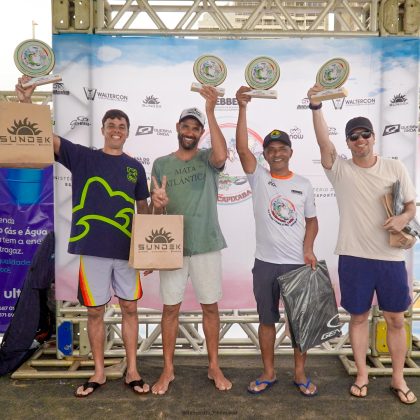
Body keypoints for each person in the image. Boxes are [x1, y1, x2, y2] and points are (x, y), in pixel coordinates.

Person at [16, 76, 151, 397]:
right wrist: (25, 103)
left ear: (128, 132)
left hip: (127, 252)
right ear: (103, 129)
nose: (116, 129)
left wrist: (149, 252)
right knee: (94, 311)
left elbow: (144, 212)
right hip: (91, 250)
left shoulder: (135, 168)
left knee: (131, 310)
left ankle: (132, 370)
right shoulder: (84, 157)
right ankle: (100, 372)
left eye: (122, 125)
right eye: (111, 124)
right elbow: (48, 140)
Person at [307, 84, 417, 404]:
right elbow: (322, 141)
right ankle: (361, 373)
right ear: (348, 143)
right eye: (353, 137)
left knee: (396, 319)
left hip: (391, 257)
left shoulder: (395, 167)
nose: (360, 141)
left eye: (364, 134)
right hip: (354, 257)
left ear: (373, 137)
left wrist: (401, 219)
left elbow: (410, 206)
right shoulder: (340, 170)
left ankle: (398, 377)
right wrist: (315, 107)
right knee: (358, 318)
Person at [234, 86, 319, 396]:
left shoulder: (304, 184)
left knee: (299, 325)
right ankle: (268, 372)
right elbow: (242, 149)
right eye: (271, 149)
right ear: (266, 154)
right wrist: (242, 108)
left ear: (290, 152)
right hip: (265, 264)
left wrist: (308, 248)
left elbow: (312, 221)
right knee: (267, 321)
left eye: (282, 148)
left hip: (298, 265)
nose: (277, 153)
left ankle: (299, 374)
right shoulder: (259, 177)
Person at [150, 85, 232, 395]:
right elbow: (154, 214)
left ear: (201, 133)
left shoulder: (209, 158)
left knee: (210, 308)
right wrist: (157, 205)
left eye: (196, 128)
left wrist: (209, 110)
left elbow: (223, 154)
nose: (190, 131)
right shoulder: (160, 163)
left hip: (207, 244)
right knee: (170, 309)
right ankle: (168, 370)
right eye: (186, 125)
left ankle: (214, 365)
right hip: (171, 248)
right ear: (177, 128)